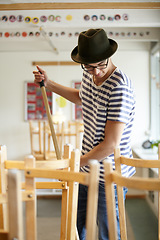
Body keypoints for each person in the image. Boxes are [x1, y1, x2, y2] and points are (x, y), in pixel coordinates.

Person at [33, 28, 136, 240]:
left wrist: (74, 162)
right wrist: (49, 83)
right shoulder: (89, 73)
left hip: (110, 174)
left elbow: (111, 144)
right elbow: (82, 97)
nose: (96, 72)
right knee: (77, 227)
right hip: (86, 167)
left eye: (100, 65)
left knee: (107, 234)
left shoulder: (119, 87)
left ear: (109, 56)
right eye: (89, 67)